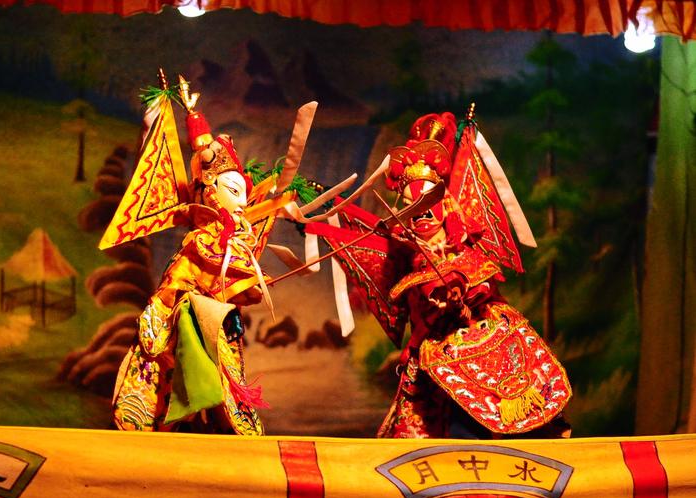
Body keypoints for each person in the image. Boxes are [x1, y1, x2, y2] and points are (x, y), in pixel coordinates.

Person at [306, 110, 571, 439]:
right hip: (432, 352)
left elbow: (480, 281)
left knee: (514, 400)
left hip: (483, 337)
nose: (420, 213)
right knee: (421, 431)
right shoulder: (407, 256)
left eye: (427, 201)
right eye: (410, 205)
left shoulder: (465, 246)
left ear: (446, 204)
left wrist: (459, 291)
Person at [110, 81, 275, 435]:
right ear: (210, 191)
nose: (242, 203)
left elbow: (234, 278)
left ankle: (216, 424)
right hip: (183, 315)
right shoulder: (203, 239)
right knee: (174, 372)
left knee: (222, 380)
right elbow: (205, 275)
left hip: (215, 322)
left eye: (244, 194)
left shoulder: (233, 237)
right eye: (234, 192)